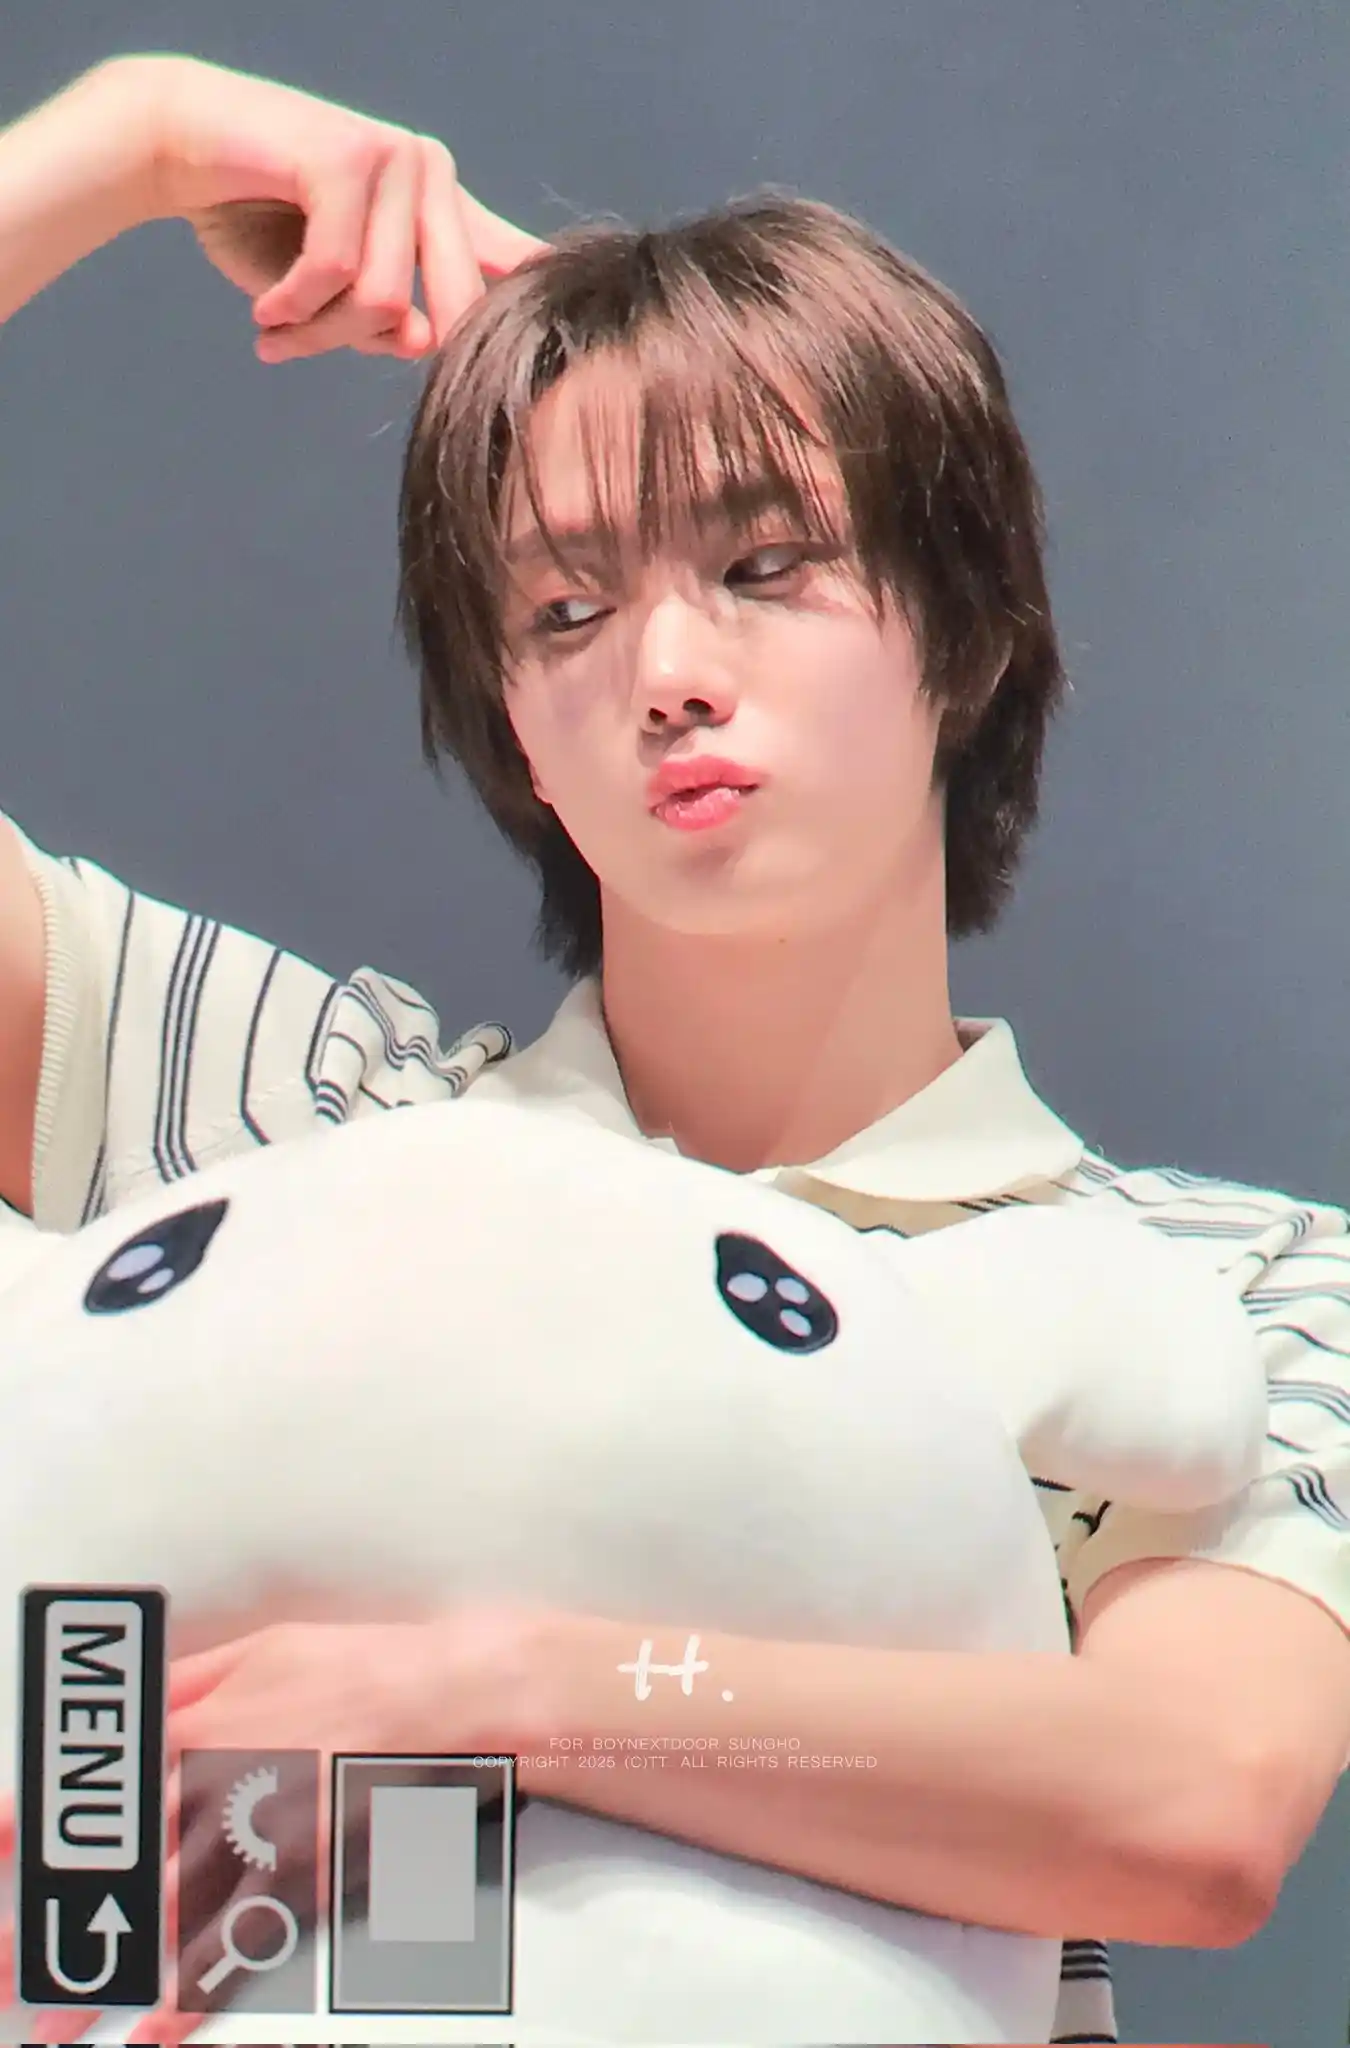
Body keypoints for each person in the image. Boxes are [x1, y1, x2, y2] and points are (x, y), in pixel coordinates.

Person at [0, 50, 1346, 2048]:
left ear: (964, 628)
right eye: (562, 609)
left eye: (762, 565)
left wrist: (503, 1692)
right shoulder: (302, 1131)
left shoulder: (1219, 1287)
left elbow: (1192, 1807)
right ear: (512, 730)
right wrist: (129, 141)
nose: (663, 672)